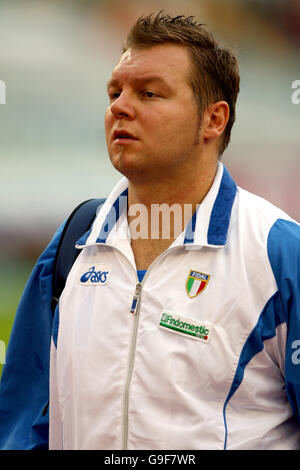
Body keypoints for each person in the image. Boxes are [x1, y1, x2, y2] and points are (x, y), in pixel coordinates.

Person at [1, 12, 300, 451]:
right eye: (114, 92)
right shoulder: (72, 246)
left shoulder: (279, 254)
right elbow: (22, 426)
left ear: (213, 120)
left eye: (149, 93)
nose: (119, 106)